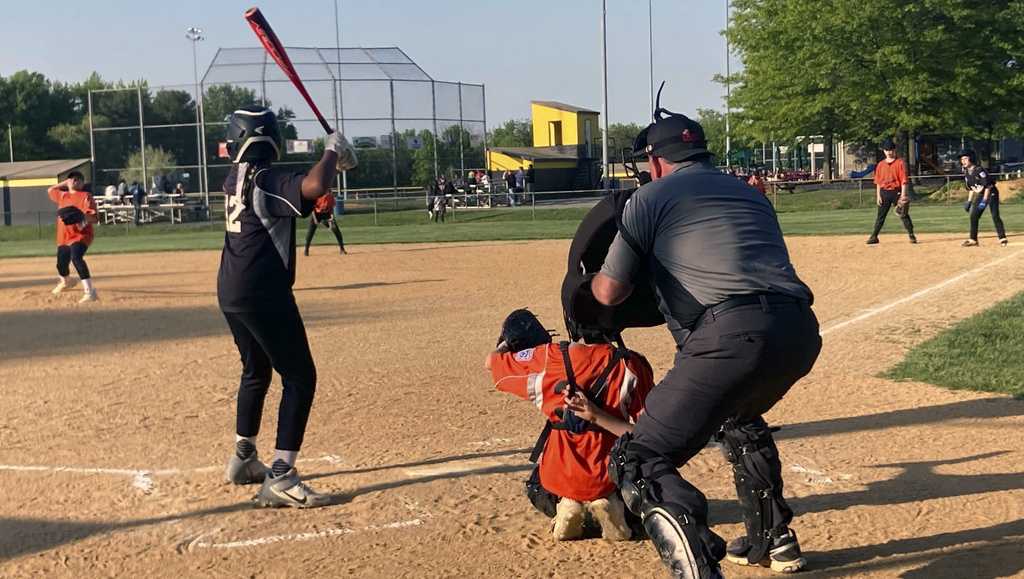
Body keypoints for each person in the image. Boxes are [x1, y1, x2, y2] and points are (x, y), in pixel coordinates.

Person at [586, 106, 820, 577]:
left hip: (730, 334)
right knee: (738, 414)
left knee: (639, 458)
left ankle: (697, 567)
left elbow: (610, 292)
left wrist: (586, 286)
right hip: (798, 332)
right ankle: (771, 539)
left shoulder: (650, 197)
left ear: (655, 162)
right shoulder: (749, 194)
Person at [218, 105, 357, 508]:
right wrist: (332, 150)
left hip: (231, 289)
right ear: (272, 140)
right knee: (300, 376)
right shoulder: (265, 177)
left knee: (256, 369)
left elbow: (297, 198)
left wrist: (334, 162)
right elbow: (313, 185)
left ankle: (244, 457)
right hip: (265, 293)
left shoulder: (237, 177)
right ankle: (281, 475)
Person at [486, 309, 655, 542]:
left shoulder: (550, 356)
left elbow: (492, 363)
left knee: (536, 487)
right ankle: (613, 502)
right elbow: (647, 434)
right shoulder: (633, 363)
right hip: (610, 472)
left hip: (561, 473)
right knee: (645, 475)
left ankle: (565, 503)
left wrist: (506, 342)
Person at [47, 171, 99, 303]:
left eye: (79, 179)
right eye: (73, 179)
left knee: (76, 257)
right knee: (61, 265)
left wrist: (82, 216)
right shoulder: (62, 196)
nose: (75, 181)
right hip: (63, 237)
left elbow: (95, 218)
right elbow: (50, 189)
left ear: (82, 183)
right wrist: (67, 181)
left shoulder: (86, 196)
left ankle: (90, 292)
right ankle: (67, 281)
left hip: (81, 235)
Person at [866, 139, 916, 245]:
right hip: (884, 192)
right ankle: (874, 236)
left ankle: (911, 235)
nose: (889, 152)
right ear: (884, 151)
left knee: (903, 214)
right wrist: (878, 196)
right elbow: (878, 182)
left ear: (895, 150)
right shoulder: (880, 165)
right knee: (880, 216)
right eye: (887, 150)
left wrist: (903, 195)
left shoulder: (900, 163)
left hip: (896, 192)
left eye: (891, 150)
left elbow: (903, 180)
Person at [959, 149, 1008, 247]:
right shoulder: (967, 173)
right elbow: (971, 188)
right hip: (982, 193)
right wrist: (969, 201)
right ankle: (973, 239)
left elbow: (988, 186)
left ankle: (1002, 237)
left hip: (991, 193)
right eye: (962, 159)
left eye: (965, 158)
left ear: (971, 159)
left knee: (995, 215)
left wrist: (984, 201)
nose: (963, 161)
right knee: (973, 215)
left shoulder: (979, 170)